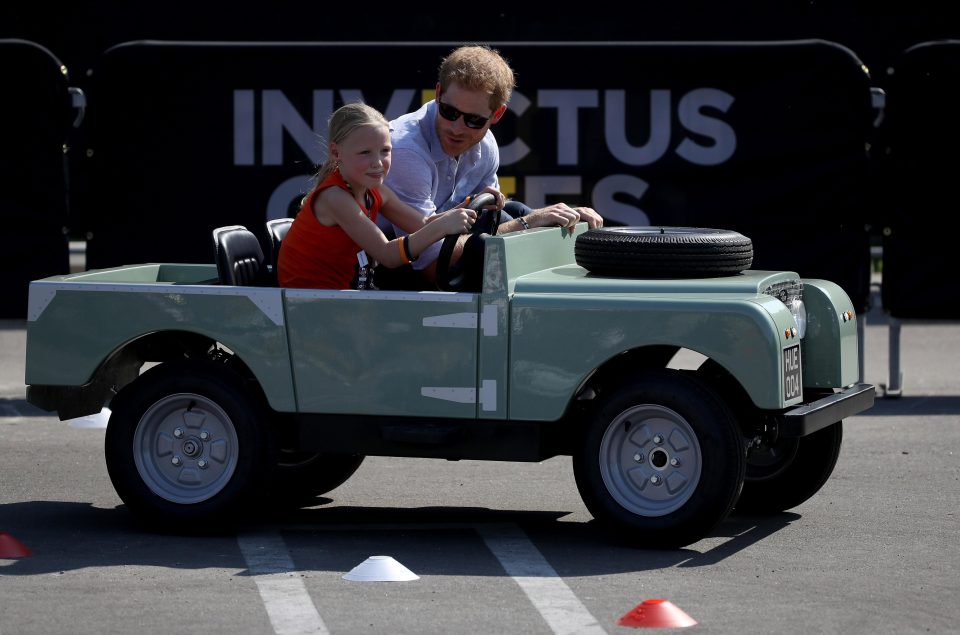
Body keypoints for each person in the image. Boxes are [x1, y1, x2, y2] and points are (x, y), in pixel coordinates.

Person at [380, 44, 604, 284]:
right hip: (385, 279)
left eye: (474, 120)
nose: (457, 128)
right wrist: (528, 223)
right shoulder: (405, 151)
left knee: (514, 210)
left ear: (496, 116)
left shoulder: (485, 143)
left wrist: (556, 218)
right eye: (448, 111)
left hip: (431, 261)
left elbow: (494, 216)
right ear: (437, 94)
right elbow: (433, 267)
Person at [278, 102, 477, 290]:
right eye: (365, 152)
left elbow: (422, 224)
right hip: (307, 304)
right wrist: (442, 226)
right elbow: (387, 255)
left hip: (340, 298)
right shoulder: (335, 198)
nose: (378, 163)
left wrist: (466, 206)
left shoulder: (375, 191)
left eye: (385, 151)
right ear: (335, 152)